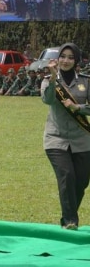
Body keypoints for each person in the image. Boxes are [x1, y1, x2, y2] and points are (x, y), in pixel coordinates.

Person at [41, 43, 90, 230]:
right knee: (66, 175)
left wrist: (79, 108)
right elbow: (47, 99)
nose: (66, 60)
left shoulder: (86, 81)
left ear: (76, 61)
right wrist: (53, 78)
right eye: (63, 56)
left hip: (82, 139)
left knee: (81, 181)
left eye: (70, 57)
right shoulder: (49, 79)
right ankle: (70, 221)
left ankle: (67, 218)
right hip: (56, 138)